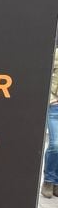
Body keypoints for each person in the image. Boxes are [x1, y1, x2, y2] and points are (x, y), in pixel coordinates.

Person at [43, 46, 58, 198]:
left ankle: (56, 181)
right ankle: (48, 179)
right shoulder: (55, 53)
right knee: (55, 144)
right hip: (55, 105)